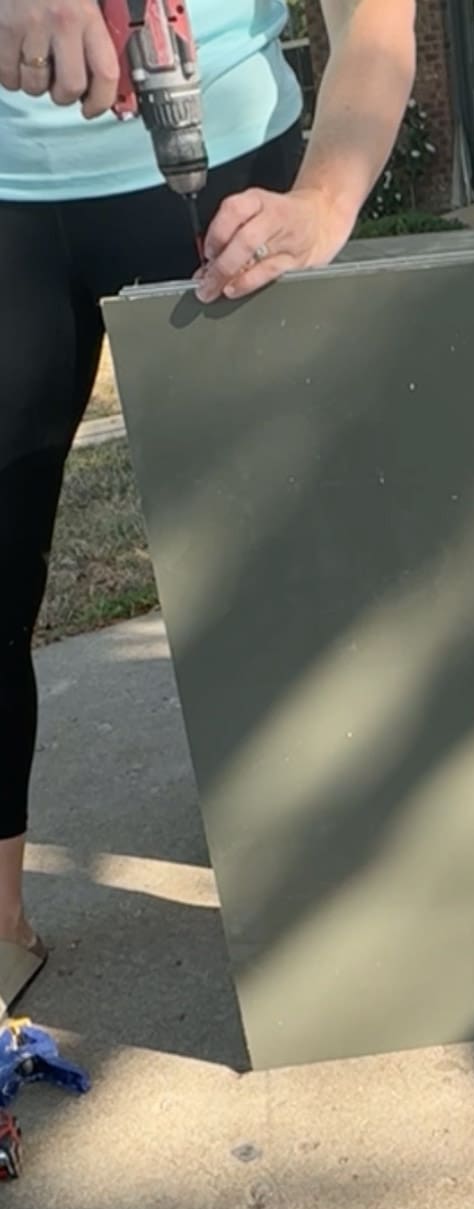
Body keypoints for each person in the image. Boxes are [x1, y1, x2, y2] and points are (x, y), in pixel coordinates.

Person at [0, 0, 417, 1015]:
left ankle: (321, 899)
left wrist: (320, 200)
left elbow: (378, 19)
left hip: (237, 179)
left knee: (281, 573)